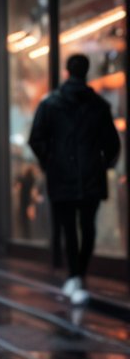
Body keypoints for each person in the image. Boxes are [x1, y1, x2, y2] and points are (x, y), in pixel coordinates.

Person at [28, 53, 121, 305]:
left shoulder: (50, 104)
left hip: (62, 176)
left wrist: (51, 162)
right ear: (87, 71)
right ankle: (78, 274)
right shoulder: (99, 106)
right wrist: (100, 164)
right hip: (91, 175)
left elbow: (36, 139)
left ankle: (74, 276)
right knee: (87, 226)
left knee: (69, 227)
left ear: (67, 72)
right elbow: (112, 144)